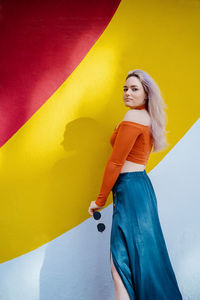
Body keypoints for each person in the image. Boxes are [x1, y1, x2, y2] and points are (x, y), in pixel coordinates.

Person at [88, 69, 183, 300]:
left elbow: (115, 163)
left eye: (134, 89)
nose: (127, 93)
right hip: (139, 188)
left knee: (120, 264)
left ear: (146, 94)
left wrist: (99, 200)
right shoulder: (146, 117)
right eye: (125, 88)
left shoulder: (133, 118)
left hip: (130, 190)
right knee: (139, 260)